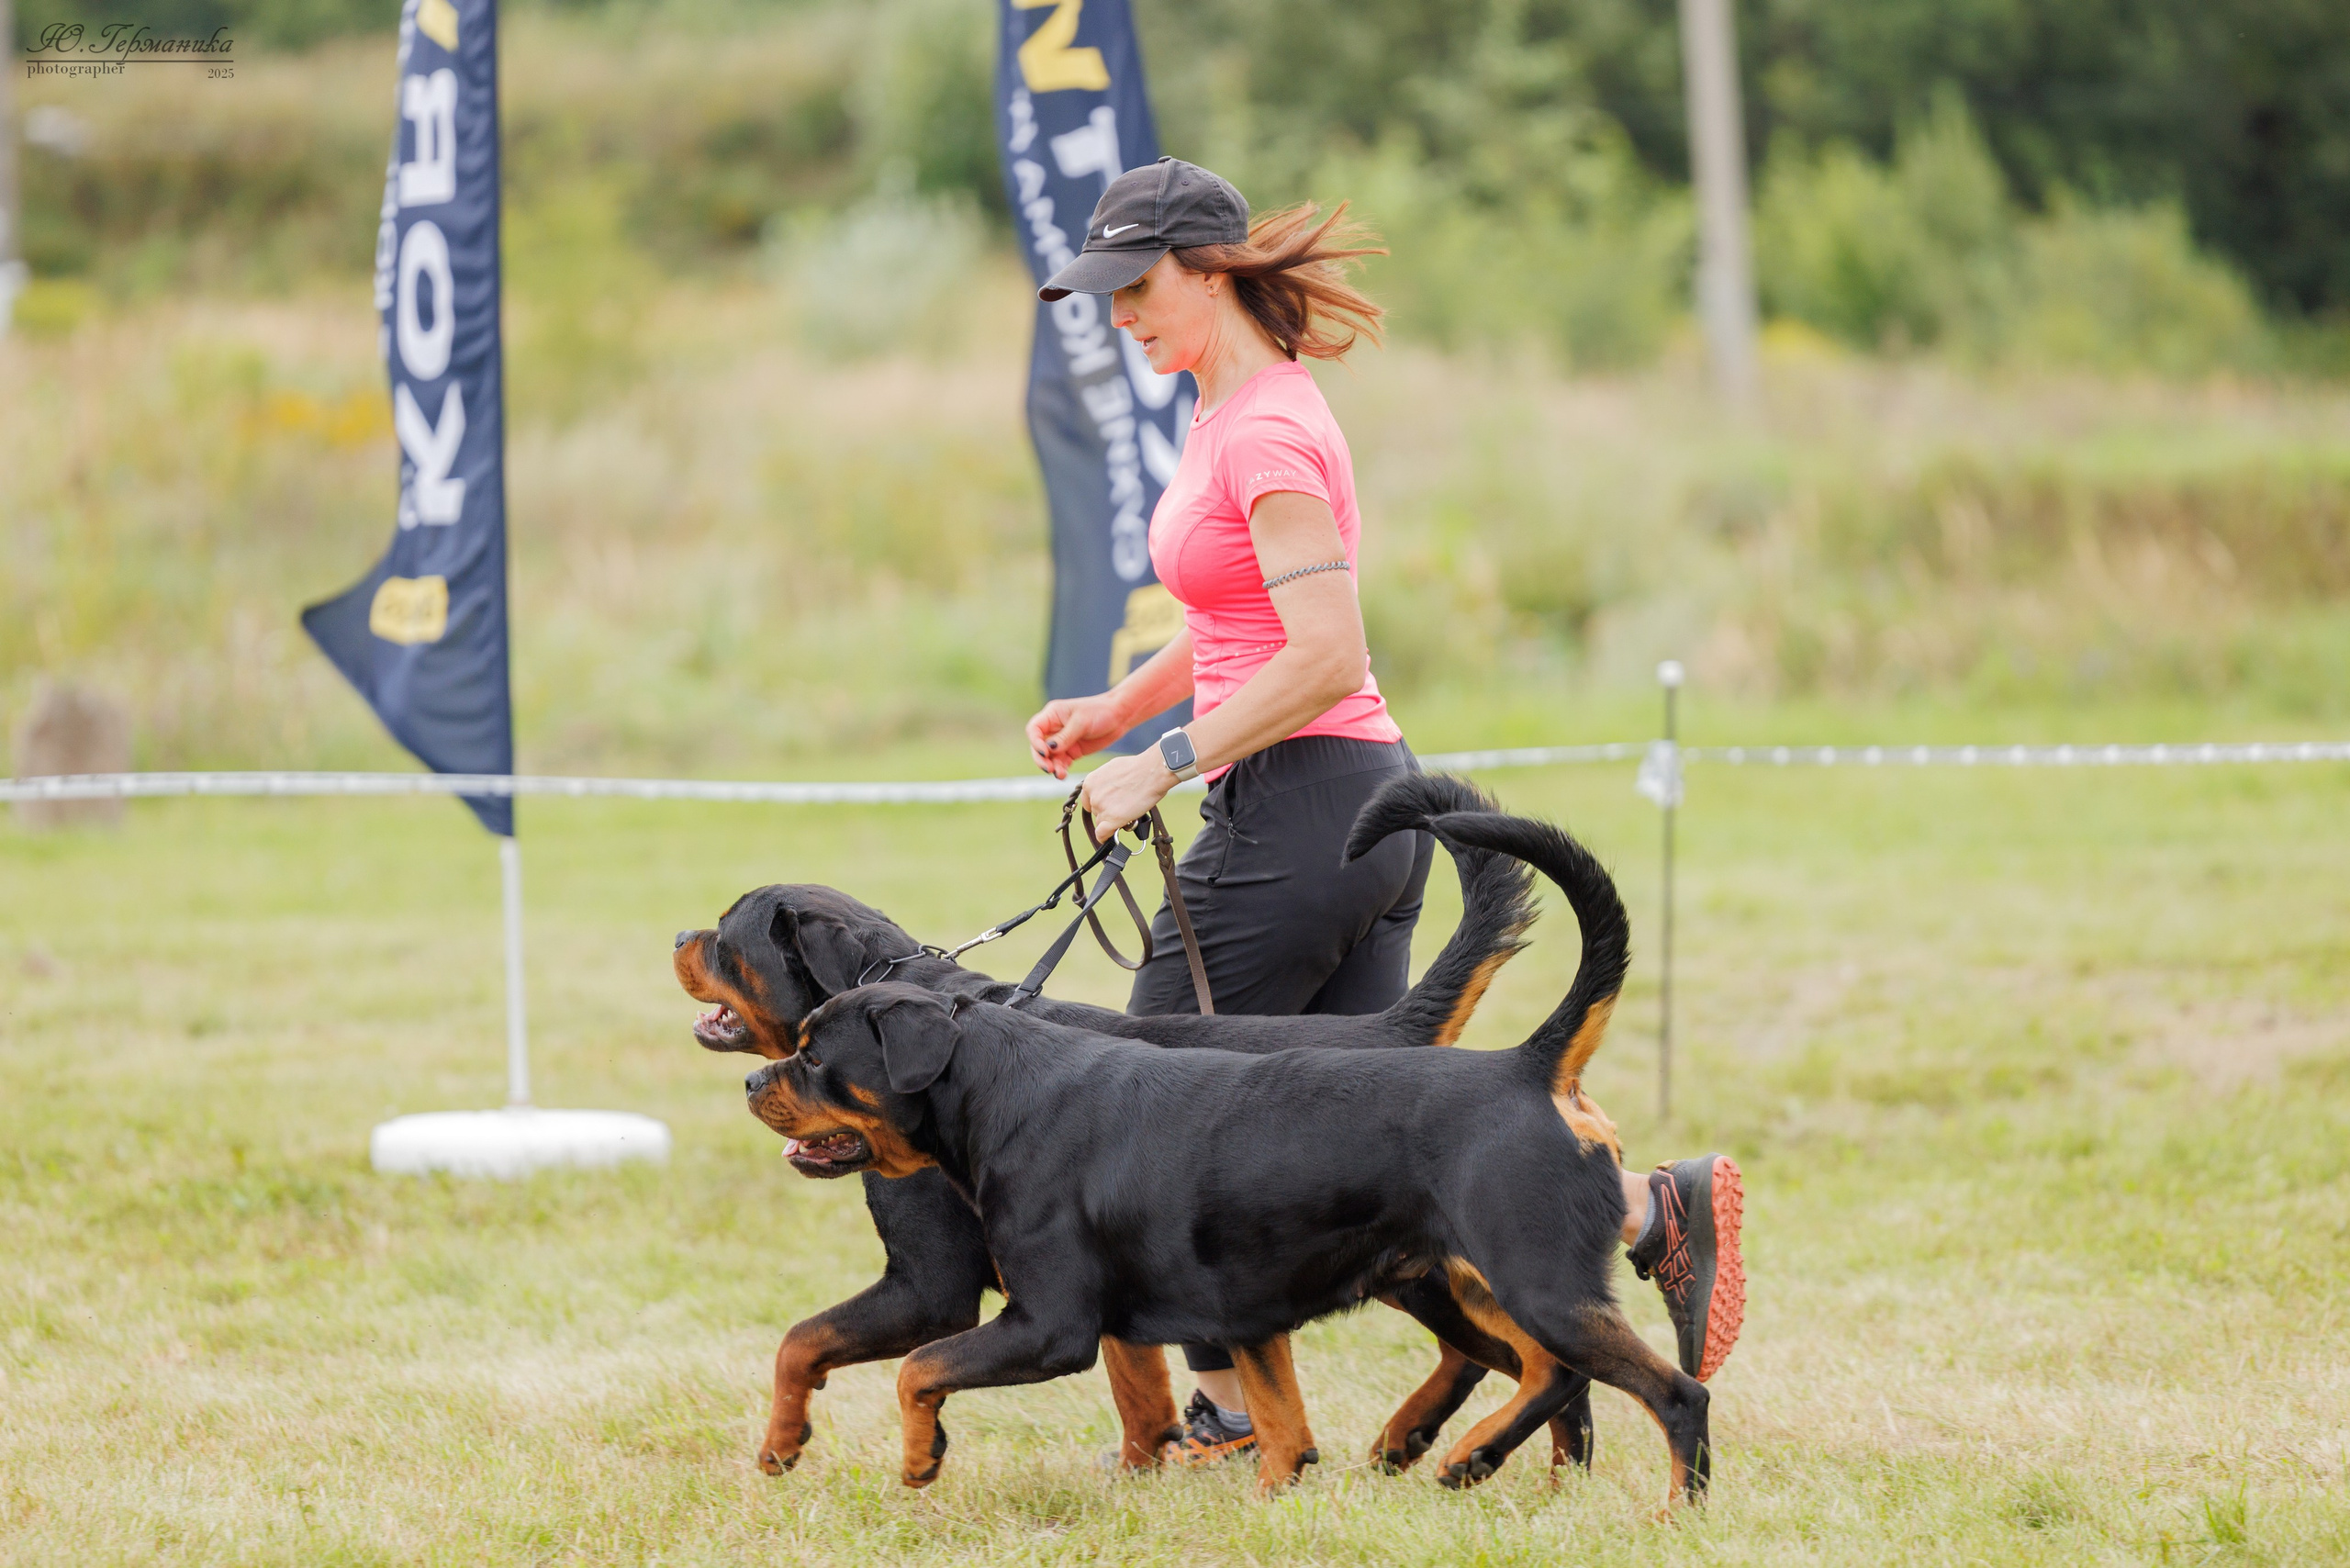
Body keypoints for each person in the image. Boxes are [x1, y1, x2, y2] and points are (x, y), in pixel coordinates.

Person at [1024, 157, 1743, 1466]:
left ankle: (1230, 1420)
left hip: (1305, 814)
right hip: (1348, 806)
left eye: (1135, 285)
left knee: (1142, 1115)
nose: (1118, 312)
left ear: (1210, 271)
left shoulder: (1268, 432)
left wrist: (1161, 763)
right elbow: (1239, 619)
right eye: (1103, 292)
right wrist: (1120, 708)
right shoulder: (1226, 411)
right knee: (1385, 1142)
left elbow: (1325, 651)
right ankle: (1647, 1215)